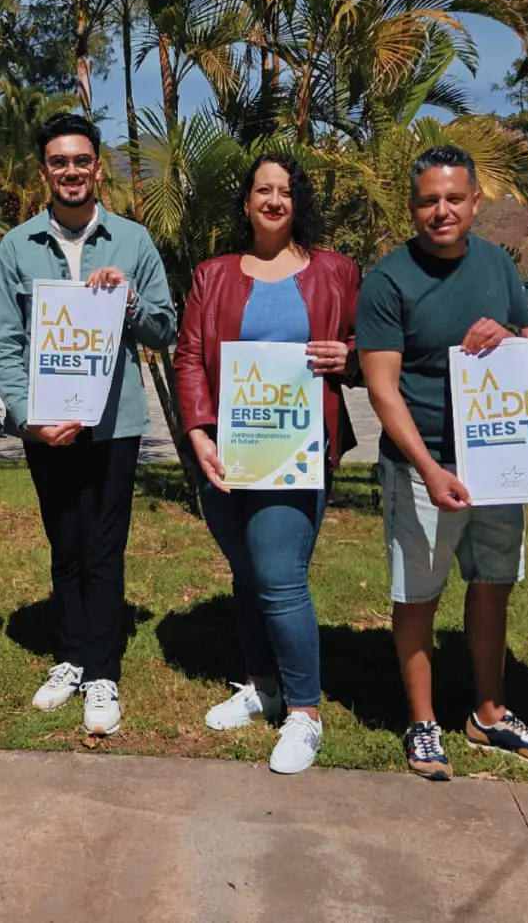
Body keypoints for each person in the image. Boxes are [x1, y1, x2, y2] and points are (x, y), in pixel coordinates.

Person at [355, 145, 528, 781]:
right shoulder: (387, 280)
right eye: (427, 200)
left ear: (474, 202)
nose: (441, 211)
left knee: (492, 585)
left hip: (497, 460)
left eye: (453, 198)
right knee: (419, 594)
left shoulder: (499, 265)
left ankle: (488, 713)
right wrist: (427, 468)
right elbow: (383, 389)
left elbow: (524, 341)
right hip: (423, 465)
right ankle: (422, 723)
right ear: (412, 206)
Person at [0, 113, 176, 736]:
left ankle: (103, 672)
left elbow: (164, 329)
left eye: (81, 161)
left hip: (114, 423)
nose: (71, 171)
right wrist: (26, 419)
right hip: (48, 426)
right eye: (59, 162)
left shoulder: (133, 242)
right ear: (45, 172)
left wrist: (129, 299)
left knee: (102, 548)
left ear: (98, 168)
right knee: (64, 544)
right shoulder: (18, 247)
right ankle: (69, 656)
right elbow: (7, 346)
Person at [173, 153, 359, 775]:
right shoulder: (213, 275)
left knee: (279, 575)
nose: (274, 200)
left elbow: (372, 343)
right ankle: (264, 686)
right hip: (227, 451)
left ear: (296, 201)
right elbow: (191, 356)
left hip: (298, 451)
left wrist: (348, 356)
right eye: (263, 190)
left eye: (285, 190)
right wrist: (198, 431)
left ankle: (304, 713)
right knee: (247, 571)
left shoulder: (336, 272)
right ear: (247, 202)